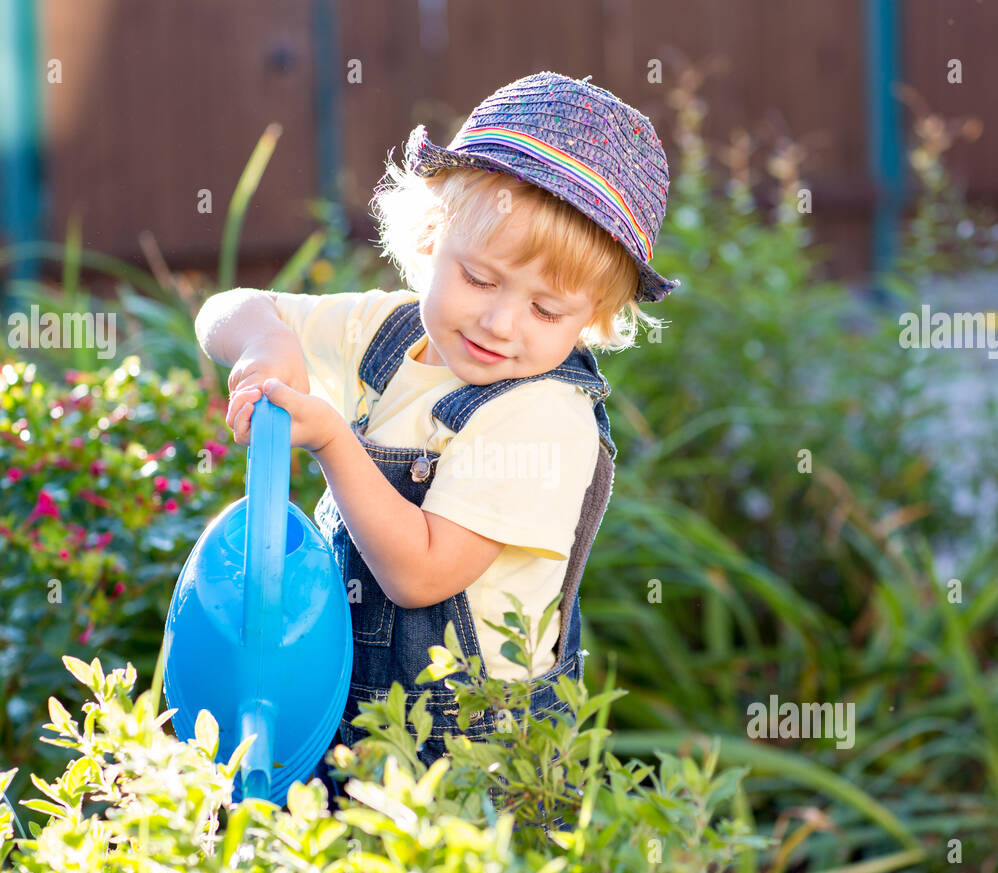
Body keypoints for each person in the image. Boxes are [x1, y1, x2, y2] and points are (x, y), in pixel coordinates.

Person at [195, 71, 679, 823]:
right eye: (479, 278)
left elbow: (420, 574)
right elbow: (227, 311)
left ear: (595, 319)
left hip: (471, 756)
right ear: (430, 238)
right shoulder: (390, 333)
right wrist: (261, 342)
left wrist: (329, 439)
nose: (501, 323)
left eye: (548, 309)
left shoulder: (543, 416)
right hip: (344, 709)